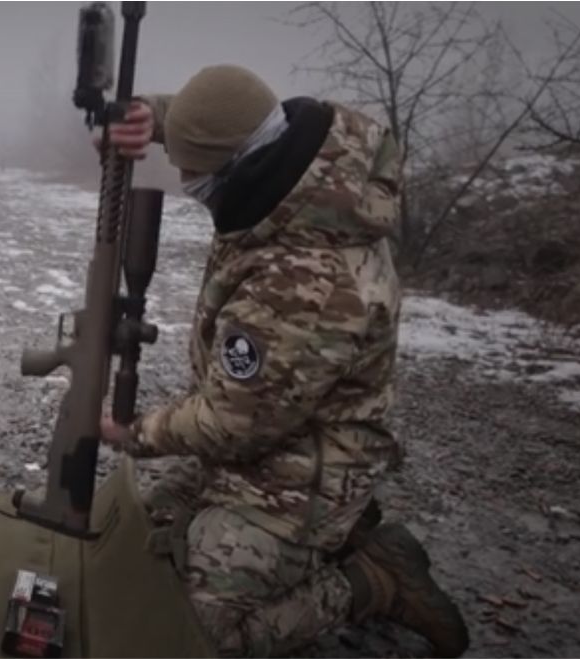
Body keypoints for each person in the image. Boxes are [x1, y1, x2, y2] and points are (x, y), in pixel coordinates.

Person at [97, 65, 469, 657]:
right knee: (138, 535)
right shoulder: (296, 177)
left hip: (299, 472)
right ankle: (329, 542)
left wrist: (135, 432)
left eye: (196, 173)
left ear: (238, 166)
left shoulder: (305, 280)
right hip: (270, 435)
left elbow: (234, 424)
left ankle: (372, 580)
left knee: (189, 632)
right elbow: (220, 117)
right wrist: (156, 117)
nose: (189, 182)